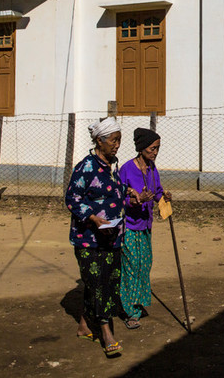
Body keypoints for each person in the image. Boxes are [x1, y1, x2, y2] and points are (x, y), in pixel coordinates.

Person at [64, 117, 127, 357]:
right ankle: (106, 333)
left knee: (106, 282)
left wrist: (129, 195)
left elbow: (114, 194)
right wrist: (92, 218)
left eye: (119, 140)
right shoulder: (86, 167)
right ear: (99, 141)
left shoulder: (113, 167)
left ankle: (83, 325)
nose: (117, 144)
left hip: (112, 237)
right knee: (98, 283)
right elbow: (72, 198)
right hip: (89, 240)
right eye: (113, 140)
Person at [119, 127, 172, 329]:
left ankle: (138, 303)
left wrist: (163, 196)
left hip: (146, 225)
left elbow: (157, 190)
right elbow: (117, 198)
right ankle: (130, 312)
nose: (155, 153)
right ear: (141, 148)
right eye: (152, 149)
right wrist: (134, 200)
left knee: (145, 264)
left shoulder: (151, 168)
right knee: (131, 266)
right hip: (129, 226)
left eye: (157, 148)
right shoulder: (126, 169)